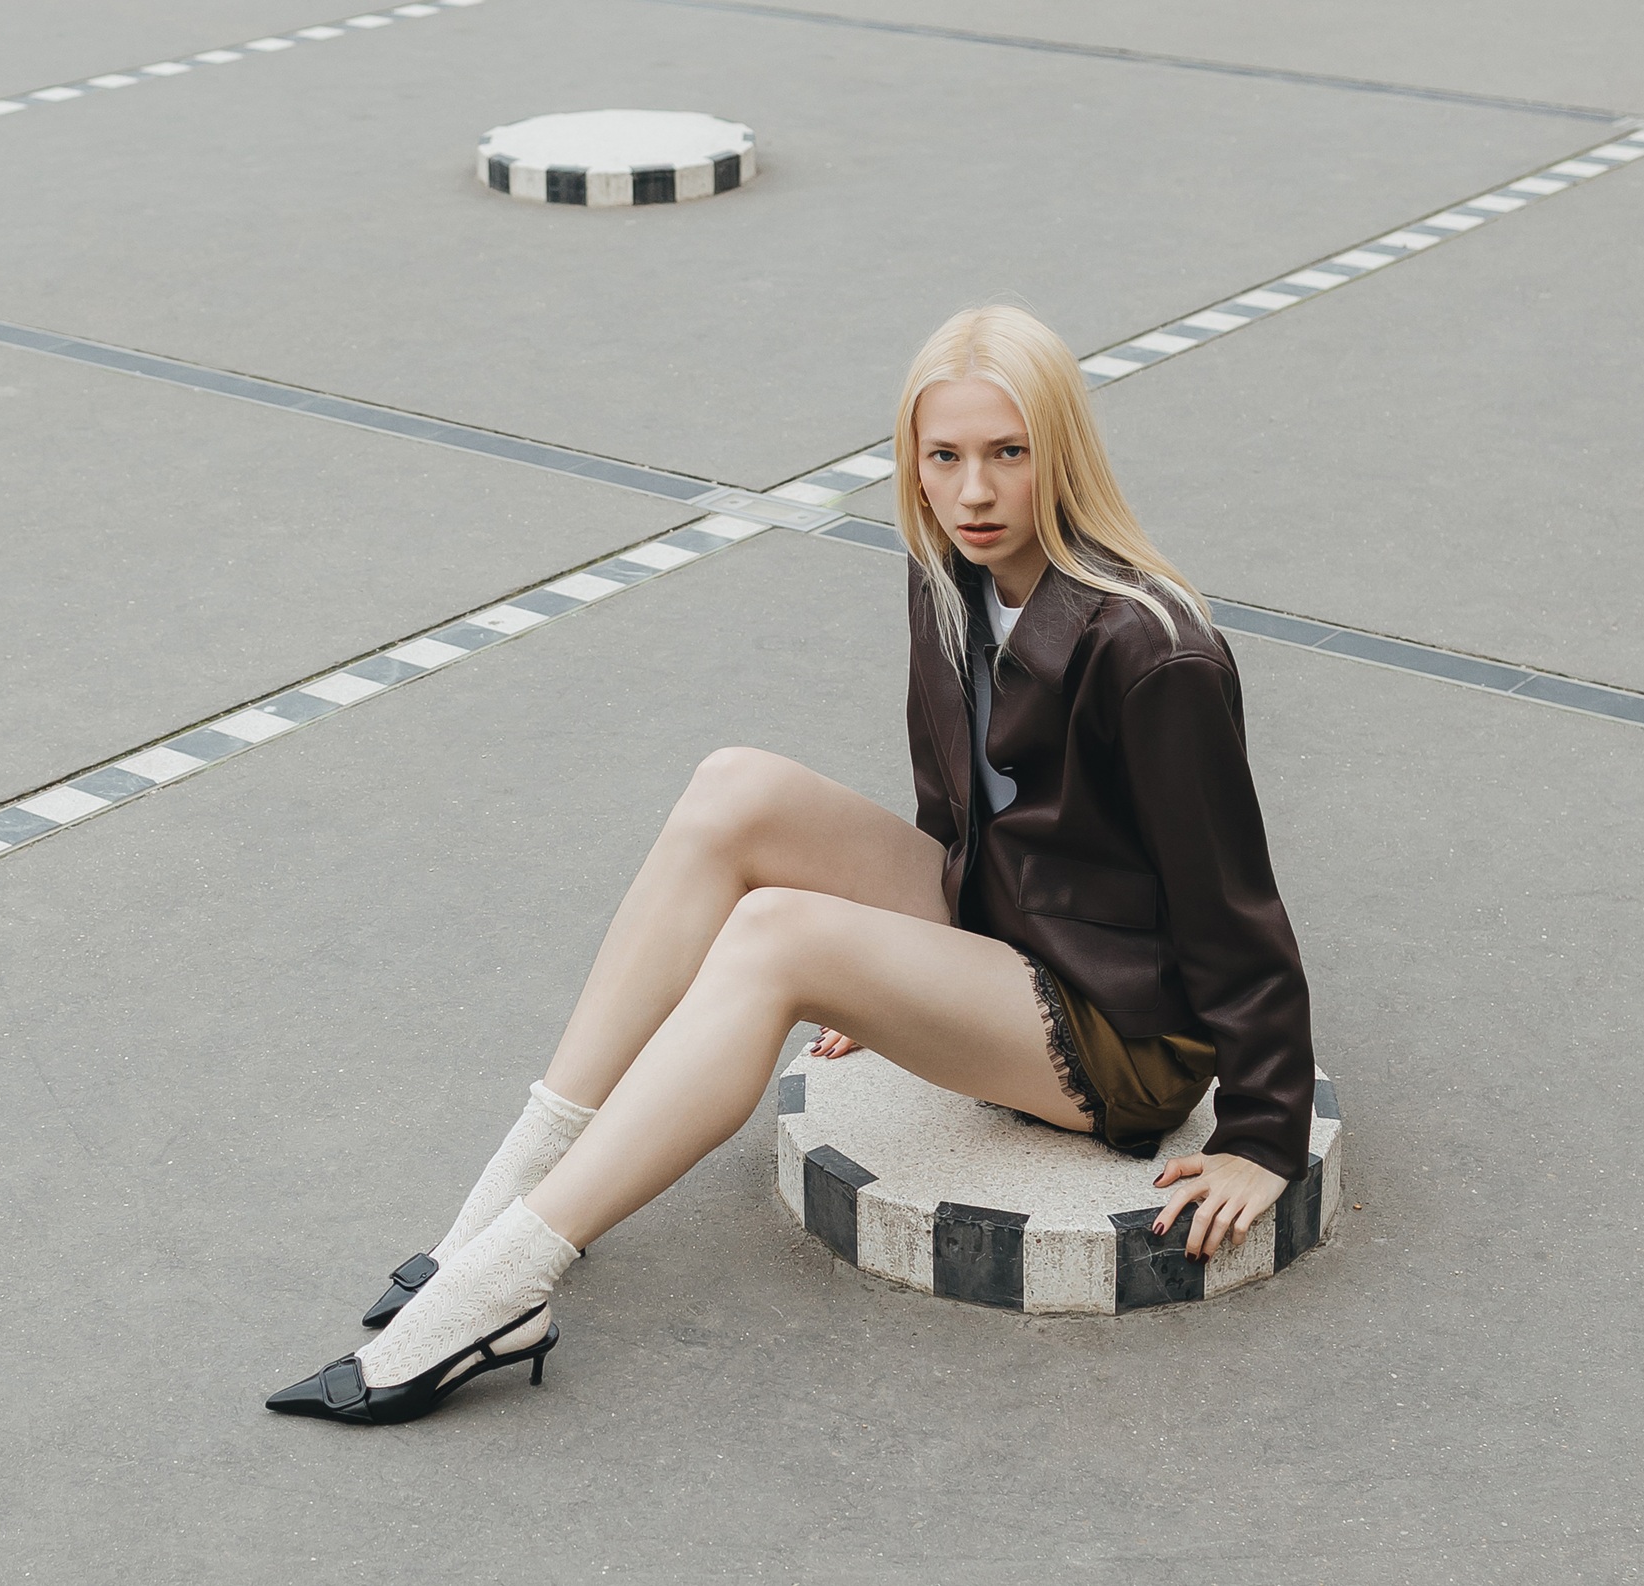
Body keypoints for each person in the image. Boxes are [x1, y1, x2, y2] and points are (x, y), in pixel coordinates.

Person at [267, 304, 1315, 1425]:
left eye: (1008, 454)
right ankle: (498, 1193)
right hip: (1006, 924)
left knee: (776, 935)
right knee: (735, 786)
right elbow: (953, 806)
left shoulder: (1153, 651)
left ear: (1060, 452)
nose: (973, 492)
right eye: (945, 456)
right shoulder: (947, 574)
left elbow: (1232, 906)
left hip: (1119, 1030)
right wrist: (902, 977)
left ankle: (506, 1278)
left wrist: (1262, 1134)